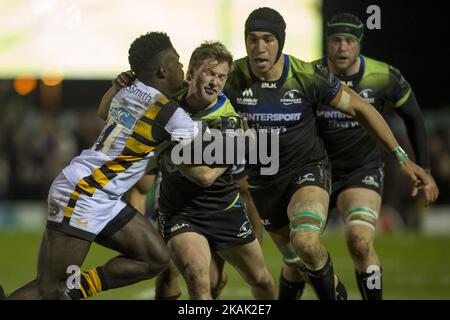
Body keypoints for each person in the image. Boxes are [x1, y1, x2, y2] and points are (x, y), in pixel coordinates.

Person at [223, 7, 430, 300]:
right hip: (264, 185)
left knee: (308, 242)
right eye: (252, 39)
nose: (259, 48)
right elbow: (189, 93)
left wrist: (402, 156)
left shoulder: (307, 75)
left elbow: (361, 107)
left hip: (307, 171)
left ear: (280, 42)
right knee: (295, 261)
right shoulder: (232, 78)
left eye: (268, 39)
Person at [7, 32, 203, 299]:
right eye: (178, 62)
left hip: (100, 194)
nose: (182, 68)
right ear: (163, 69)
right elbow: (202, 159)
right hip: (84, 193)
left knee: (155, 258)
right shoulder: (170, 115)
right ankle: (67, 290)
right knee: (50, 289)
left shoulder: (127, 88)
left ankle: (78, 289)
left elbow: (104, 112)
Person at [309, 13, 439, 300]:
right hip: (314, 173)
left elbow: (414, 119)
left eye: (349, 41)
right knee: (299, 253)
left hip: (361, 171)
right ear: (326, 43)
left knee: (359, 241)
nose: (342, 48)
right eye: (335, 41)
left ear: (360, 44)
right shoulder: (310, 74)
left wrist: (425, 169)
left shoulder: (383, 75)